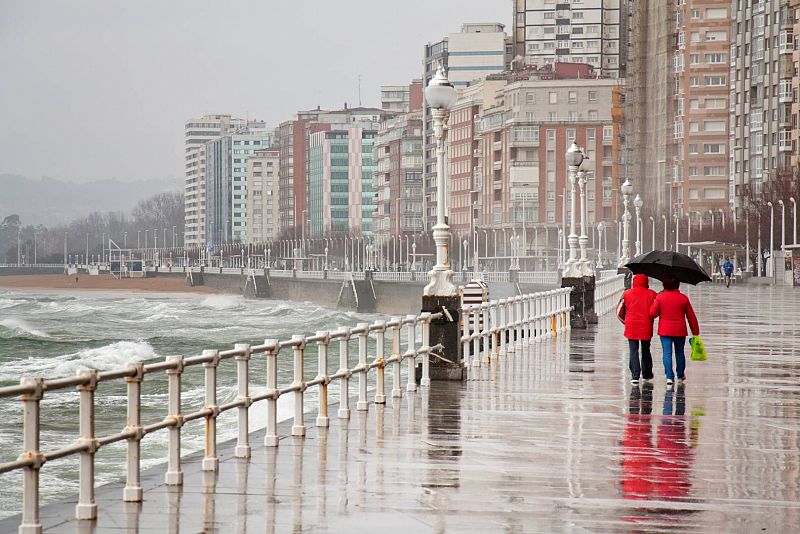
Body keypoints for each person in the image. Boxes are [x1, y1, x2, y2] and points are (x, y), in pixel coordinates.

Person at [649, 274, 700, 386]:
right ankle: (680, 375)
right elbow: (691, 317)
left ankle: (669, 377)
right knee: (680, 353)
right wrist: (695, 332)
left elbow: (653, 313)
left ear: (664, 285)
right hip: (680, 330)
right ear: (677, 285)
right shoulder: (683, 298)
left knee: (667, 353)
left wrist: (656, 300)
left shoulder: (660, 297)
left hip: (665, 330)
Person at [617, 274, 657, 385]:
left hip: (631, 327)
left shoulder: (626, 294)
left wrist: (626, 322)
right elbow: (655, 311)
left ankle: (635, 376)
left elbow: (618, 311)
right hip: (646, 325)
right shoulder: (652, 294)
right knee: (646, 350)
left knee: (633, 351)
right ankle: (647, 373)